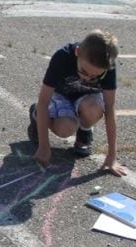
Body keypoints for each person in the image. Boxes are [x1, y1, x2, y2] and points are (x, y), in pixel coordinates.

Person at [28, 29, 126, 176]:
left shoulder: (108, 67)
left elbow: (110, 110)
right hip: (61, 95)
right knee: (65, 129)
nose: (88, 78)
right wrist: (44, 146)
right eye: (84, 72)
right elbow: (43, 102)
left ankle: (85, 131)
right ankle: (36, 116)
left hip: (87, 99)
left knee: (94, 109)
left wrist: (112, 155)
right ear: (77, 53)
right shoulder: (62, 57)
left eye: (95, 76)